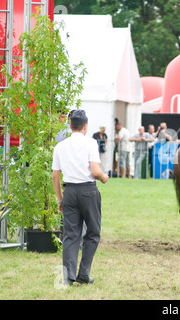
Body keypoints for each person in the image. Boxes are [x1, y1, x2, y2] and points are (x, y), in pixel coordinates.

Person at [52, 109, 109, 286]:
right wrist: (103, 177)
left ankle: (68, 277)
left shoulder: (59, 146)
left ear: (70, 126)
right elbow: (94, 170)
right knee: (92, 233)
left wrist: (60, 199)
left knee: (71, 235)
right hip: (88, 191)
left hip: (69, 191)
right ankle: (83, 273)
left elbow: (55, 176)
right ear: (85, 126)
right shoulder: (91, 143)